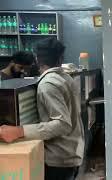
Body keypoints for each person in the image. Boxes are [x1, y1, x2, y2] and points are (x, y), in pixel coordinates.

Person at [0, 38, 85, 180]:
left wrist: (19, 131)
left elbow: (62, 124)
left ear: (37, 60)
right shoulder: (66, 78)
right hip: (72, 153)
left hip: (59, 160)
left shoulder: (48, 84)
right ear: (60, 59)